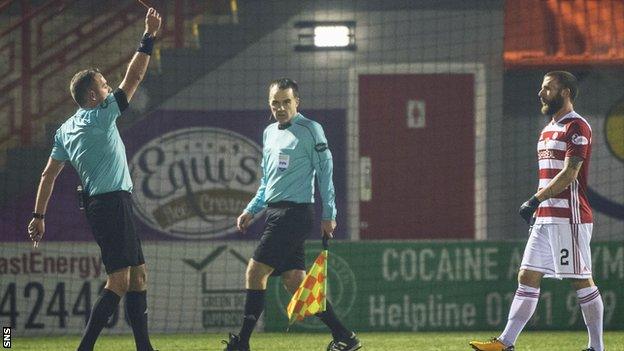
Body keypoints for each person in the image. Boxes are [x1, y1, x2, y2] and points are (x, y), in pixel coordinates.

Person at [26, 8, 162, 351]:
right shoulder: (100, 116)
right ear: (93, 96)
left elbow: (48, 175)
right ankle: (86, 347)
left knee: (137, 276)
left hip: (100, 206)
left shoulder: (64, 129)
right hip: (113, 202)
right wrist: (148, 37)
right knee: (121, 280)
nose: (108, 86)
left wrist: (38, 216)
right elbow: (133, 79)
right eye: (104, 84)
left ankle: (144, 348)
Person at [222, 78, 361, 351]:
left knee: (255, 272)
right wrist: (251, 210)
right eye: (276, 102)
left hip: (295, 215)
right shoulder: (269, 133)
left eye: (287, 101)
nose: (281, 107)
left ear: (297, 101)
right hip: (275, 213)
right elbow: (267, 182)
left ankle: (243, 343)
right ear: (269, 104)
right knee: (295, 283)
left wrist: (329, 213)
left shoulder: (311, 130)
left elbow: (325, 173)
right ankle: (345, 337)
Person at [470, 71, 603, 351]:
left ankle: (597, 346)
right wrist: (540, 206)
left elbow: (570, 173)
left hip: (569, 217)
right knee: (527, 275)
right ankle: (505, 343)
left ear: (565, 92)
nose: (541, 93)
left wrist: (534, 199)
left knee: (580, 279)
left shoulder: (577, 126)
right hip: (545, 217)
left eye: (547, 88)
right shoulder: (547, 129)